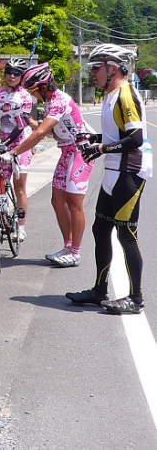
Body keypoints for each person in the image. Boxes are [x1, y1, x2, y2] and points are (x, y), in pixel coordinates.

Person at [66, 44, 149, 314]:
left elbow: (135, 139)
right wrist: (95, 139)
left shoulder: (126, 94)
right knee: (100, 230)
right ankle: (99, 290)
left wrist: (100, 149)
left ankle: (135, 299)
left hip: (129, 173)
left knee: (126, 233)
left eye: (95, 68)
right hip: (113, 172)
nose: (92, 74)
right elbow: (118, 137)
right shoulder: (111, 95)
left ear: (112, 68)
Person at [1, 62, 94, 267]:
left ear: (43, 86)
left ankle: (75, 253)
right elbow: (53, 132)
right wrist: (33, 123)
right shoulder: (49, 102)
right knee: (57, 200)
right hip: (66, 150)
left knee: (74, 203)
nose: (32, 95)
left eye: (33, 91)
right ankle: (68, 246)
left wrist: (14, 152)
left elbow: (41, 134)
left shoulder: (59, 100)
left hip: (80, 151)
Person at [0, 57, 36, 241]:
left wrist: (7, 145)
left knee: (19, 188)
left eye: (16, 73)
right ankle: (0, 223)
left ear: (21, 76)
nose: (11, 76)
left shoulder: (26, 96)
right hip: (3, 144)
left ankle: (21, 227)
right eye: (9, 72)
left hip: (21, 143)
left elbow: (21, 125)